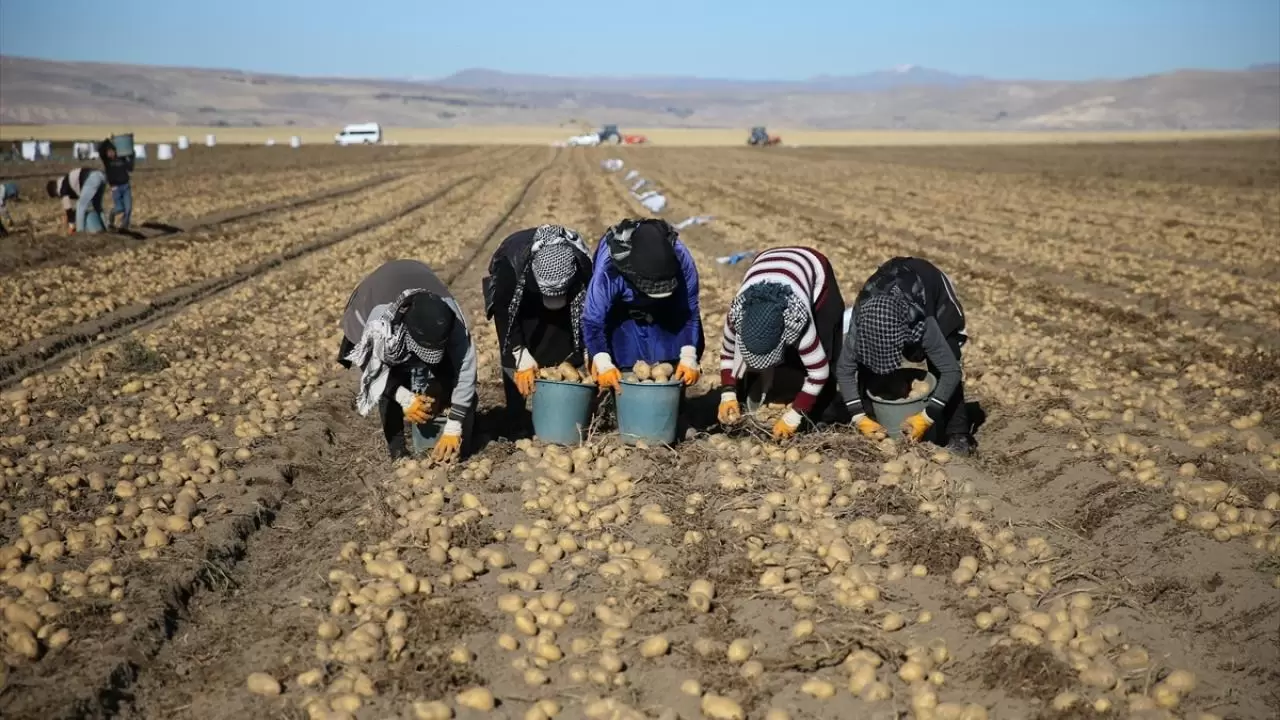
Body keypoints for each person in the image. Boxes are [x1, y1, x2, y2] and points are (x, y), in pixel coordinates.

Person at [339, 260, 478, 462]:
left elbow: (466, 369)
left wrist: (454, 423)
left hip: (417, 280)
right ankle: (397, 451)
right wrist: (404, 397)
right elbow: (373, 368)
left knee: (449, 371)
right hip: (374, 294)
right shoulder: (381, 325)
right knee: (393, 373)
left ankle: (450, 422)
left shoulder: (453, 321)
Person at [835, 256, 973, 455]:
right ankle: (873, 417)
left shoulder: (923, 324)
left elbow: (951, 371)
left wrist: (927, 416)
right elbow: (845, 369)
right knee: (866, 362)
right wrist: (858, 416)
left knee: (945, 355)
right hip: (885, 296)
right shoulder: (861, 324)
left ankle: (958, 433)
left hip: (929, 285)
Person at [716, 247, 846, 440]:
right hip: (767, 262)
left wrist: (794, 416)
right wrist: (727, 393)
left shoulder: (797, 319)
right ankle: (770, 390)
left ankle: (814, 413)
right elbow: (727, 354)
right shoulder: (736, 316)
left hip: (813, 268)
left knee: (823, 351)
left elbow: (819, 372)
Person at [483, 224, 593, 433]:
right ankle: (517, 415)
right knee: (515, 351)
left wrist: (590, 352)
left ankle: (558, 404)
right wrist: (519, 352)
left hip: (567, 298)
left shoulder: (581, 265)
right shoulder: (511, 267)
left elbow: (591, 313)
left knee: (561, 341)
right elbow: (504, 313)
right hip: (518, 298)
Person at [583, 218, 704, 393]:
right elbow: (593, 322)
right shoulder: (609, 270)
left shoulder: (681, 261)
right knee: (622, 354)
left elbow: (689, 313)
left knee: (673, 357)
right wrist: (602, 361)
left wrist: (688, 356)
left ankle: (673, 396)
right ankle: (620, 395)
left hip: (667, 309)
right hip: (622, 311)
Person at [46, 167, 107, 234]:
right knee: (97, 207)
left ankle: (80, 233)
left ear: (55, 191)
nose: (59, 197)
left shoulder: (62, 188)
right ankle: (106, 227)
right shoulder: (66, 181)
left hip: (92, 178)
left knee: (80, 206)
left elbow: (68, 210)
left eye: (56, 196)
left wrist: (71, 226)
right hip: (101, 176)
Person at [99, 139, 134, 231]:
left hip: (126, 186)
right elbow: (100, 150)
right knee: (119, 208)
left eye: (112, 151)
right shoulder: (107, 162)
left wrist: (132, 155)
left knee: (128, 208)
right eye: (108, 152)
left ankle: (124, 227)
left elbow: (130, 168)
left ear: (115, 151)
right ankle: (111, 217)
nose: (110, 153)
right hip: (116, 188)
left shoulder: (122, 159)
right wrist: (107, 140)